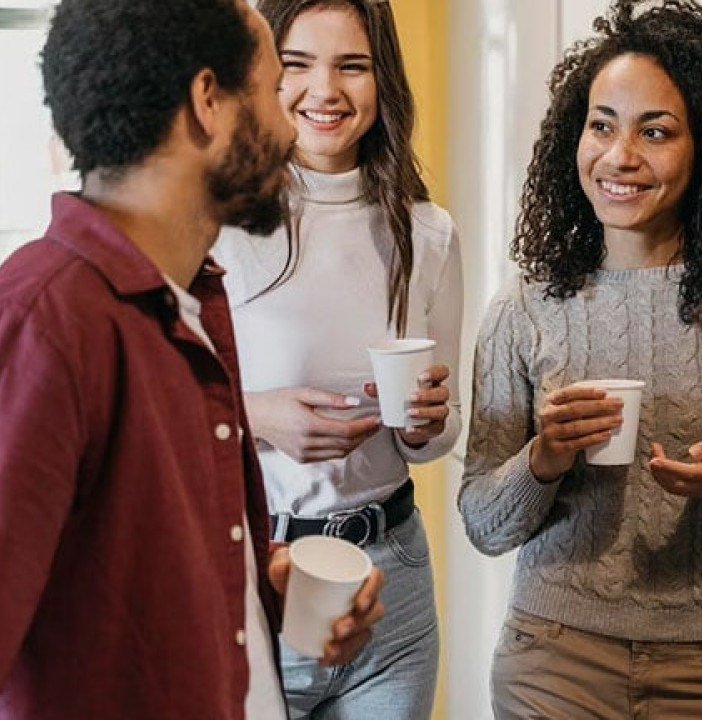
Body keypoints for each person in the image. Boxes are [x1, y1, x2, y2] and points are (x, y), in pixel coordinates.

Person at [0, 0, 385, 717]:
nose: (288, 122)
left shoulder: (194, 299)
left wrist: (254, 580)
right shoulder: (39, 324)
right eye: (270, 91)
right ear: (209, 102)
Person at [458, 1, 702, 717]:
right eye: (601, 125)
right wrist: (544, 459)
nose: (619, 156)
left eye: (655, 132)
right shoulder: (527, 305)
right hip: (555, 660)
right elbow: (482, 522)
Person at [213, 0, 462, 717]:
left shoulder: (427, 231)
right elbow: (169, 410)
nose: (326, 91)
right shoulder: (218, 220)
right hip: (264, 573)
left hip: (393, 579)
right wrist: (259, 418)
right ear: (261, 76)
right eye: (297, 65)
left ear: (382, 81)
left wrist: (422, 425)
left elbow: (438, 438)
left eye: (352, 65)